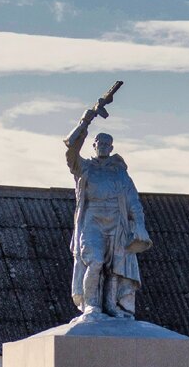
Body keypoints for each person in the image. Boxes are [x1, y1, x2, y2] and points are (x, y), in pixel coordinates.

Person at [64, 110, 151, 320]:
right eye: (99, 143)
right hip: (92, 220)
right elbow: (70, 148)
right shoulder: (84, 167)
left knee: (114, 267)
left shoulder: (120, 172)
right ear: (93, 145)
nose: (102, 146)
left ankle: (111, 305)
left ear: (111, 148)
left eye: (106, 144)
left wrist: (138, 224)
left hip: (116, 222)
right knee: (94, 262)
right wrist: (86, 120)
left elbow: (133, 202)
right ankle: (91, 306)